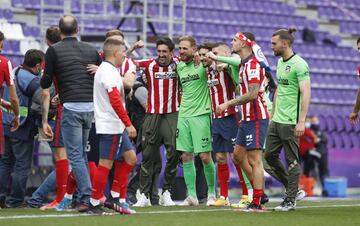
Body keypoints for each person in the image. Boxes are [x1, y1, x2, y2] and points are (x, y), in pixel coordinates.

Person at [40, 15, 102, 211]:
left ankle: (87, 197)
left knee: (75, 156)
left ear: (60, 31)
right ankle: (85, 196)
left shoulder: (53, 51)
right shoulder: (91, 50)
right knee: (81, 155)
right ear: (78, 28)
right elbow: (101, 74)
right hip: (90, 108)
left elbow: (45, 83)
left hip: (71, 108)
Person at [207, 32, 269, 211]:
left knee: (255, 159)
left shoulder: (252, 65)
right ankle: (260, 193)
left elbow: (252, 94)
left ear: (243, 43)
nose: (232, 42)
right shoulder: (243, 64)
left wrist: (228, 103)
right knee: (237, 156)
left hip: (256, 116)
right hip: (246, 118)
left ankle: (256, 200)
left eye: (235, 40)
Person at [86, 37, 136, 215]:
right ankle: (93, 203)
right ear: (115, 53)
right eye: (123, 51)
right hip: (111, 124)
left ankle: (114, 198)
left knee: (130, 158)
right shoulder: (107, 71)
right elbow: (115, 100)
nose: (125, 54)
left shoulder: (110, 69)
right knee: (105, 164)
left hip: (115, 124)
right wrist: (128, 123)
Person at [264, 28, 311, 211]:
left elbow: (306, 93)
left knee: (292, 161)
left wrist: (301, 121)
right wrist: (272, 115)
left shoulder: (299, 64)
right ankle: (294, 189)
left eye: (274, 43)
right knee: (268, 158)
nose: (272, 46)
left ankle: (290, 200)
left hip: (291, 121)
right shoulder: (281, 62)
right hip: (277, 120)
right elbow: (279, 92)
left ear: (285, 43)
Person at [26, 26, 70, 210]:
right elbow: (46, 94)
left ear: (46, 40)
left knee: (61, 161)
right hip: (53, 117)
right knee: (64, 162)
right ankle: (39, 197)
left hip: (46, 117)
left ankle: (61, 196)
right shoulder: (58, 61)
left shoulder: (46, 61)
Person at [134, 37, 180, 207]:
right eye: (159, 51)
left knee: (174, 152)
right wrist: (132, 47)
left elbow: (195, 58)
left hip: (172, 113)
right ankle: (144, 195)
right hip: (152, 114)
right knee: (147, 155)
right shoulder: (148, 64)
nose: (161, 55)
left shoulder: (178, 63)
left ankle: (166, 192)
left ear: (171, 52)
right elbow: (124, 61)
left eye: (164, 52)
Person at [0, 49, 44, 208]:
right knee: (21, 165)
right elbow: (42, 98)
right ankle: (16, 200)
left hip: (5, 123)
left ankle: (1, 198)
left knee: (5, 163)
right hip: (21, 126)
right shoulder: (31, 79)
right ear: (37, 65)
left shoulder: (14, 70)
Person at [176, 35, 216, 206]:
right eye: (180, 48)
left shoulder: (204, 65)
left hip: (201, 114)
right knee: (185, 155)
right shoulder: (179, 67)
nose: (181, 51)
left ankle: (212, 193)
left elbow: (216, 65)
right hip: (183, 115)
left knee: (205, 157)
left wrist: (205, 60)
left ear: (194, 50)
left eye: (185, 48)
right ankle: (191, 195)